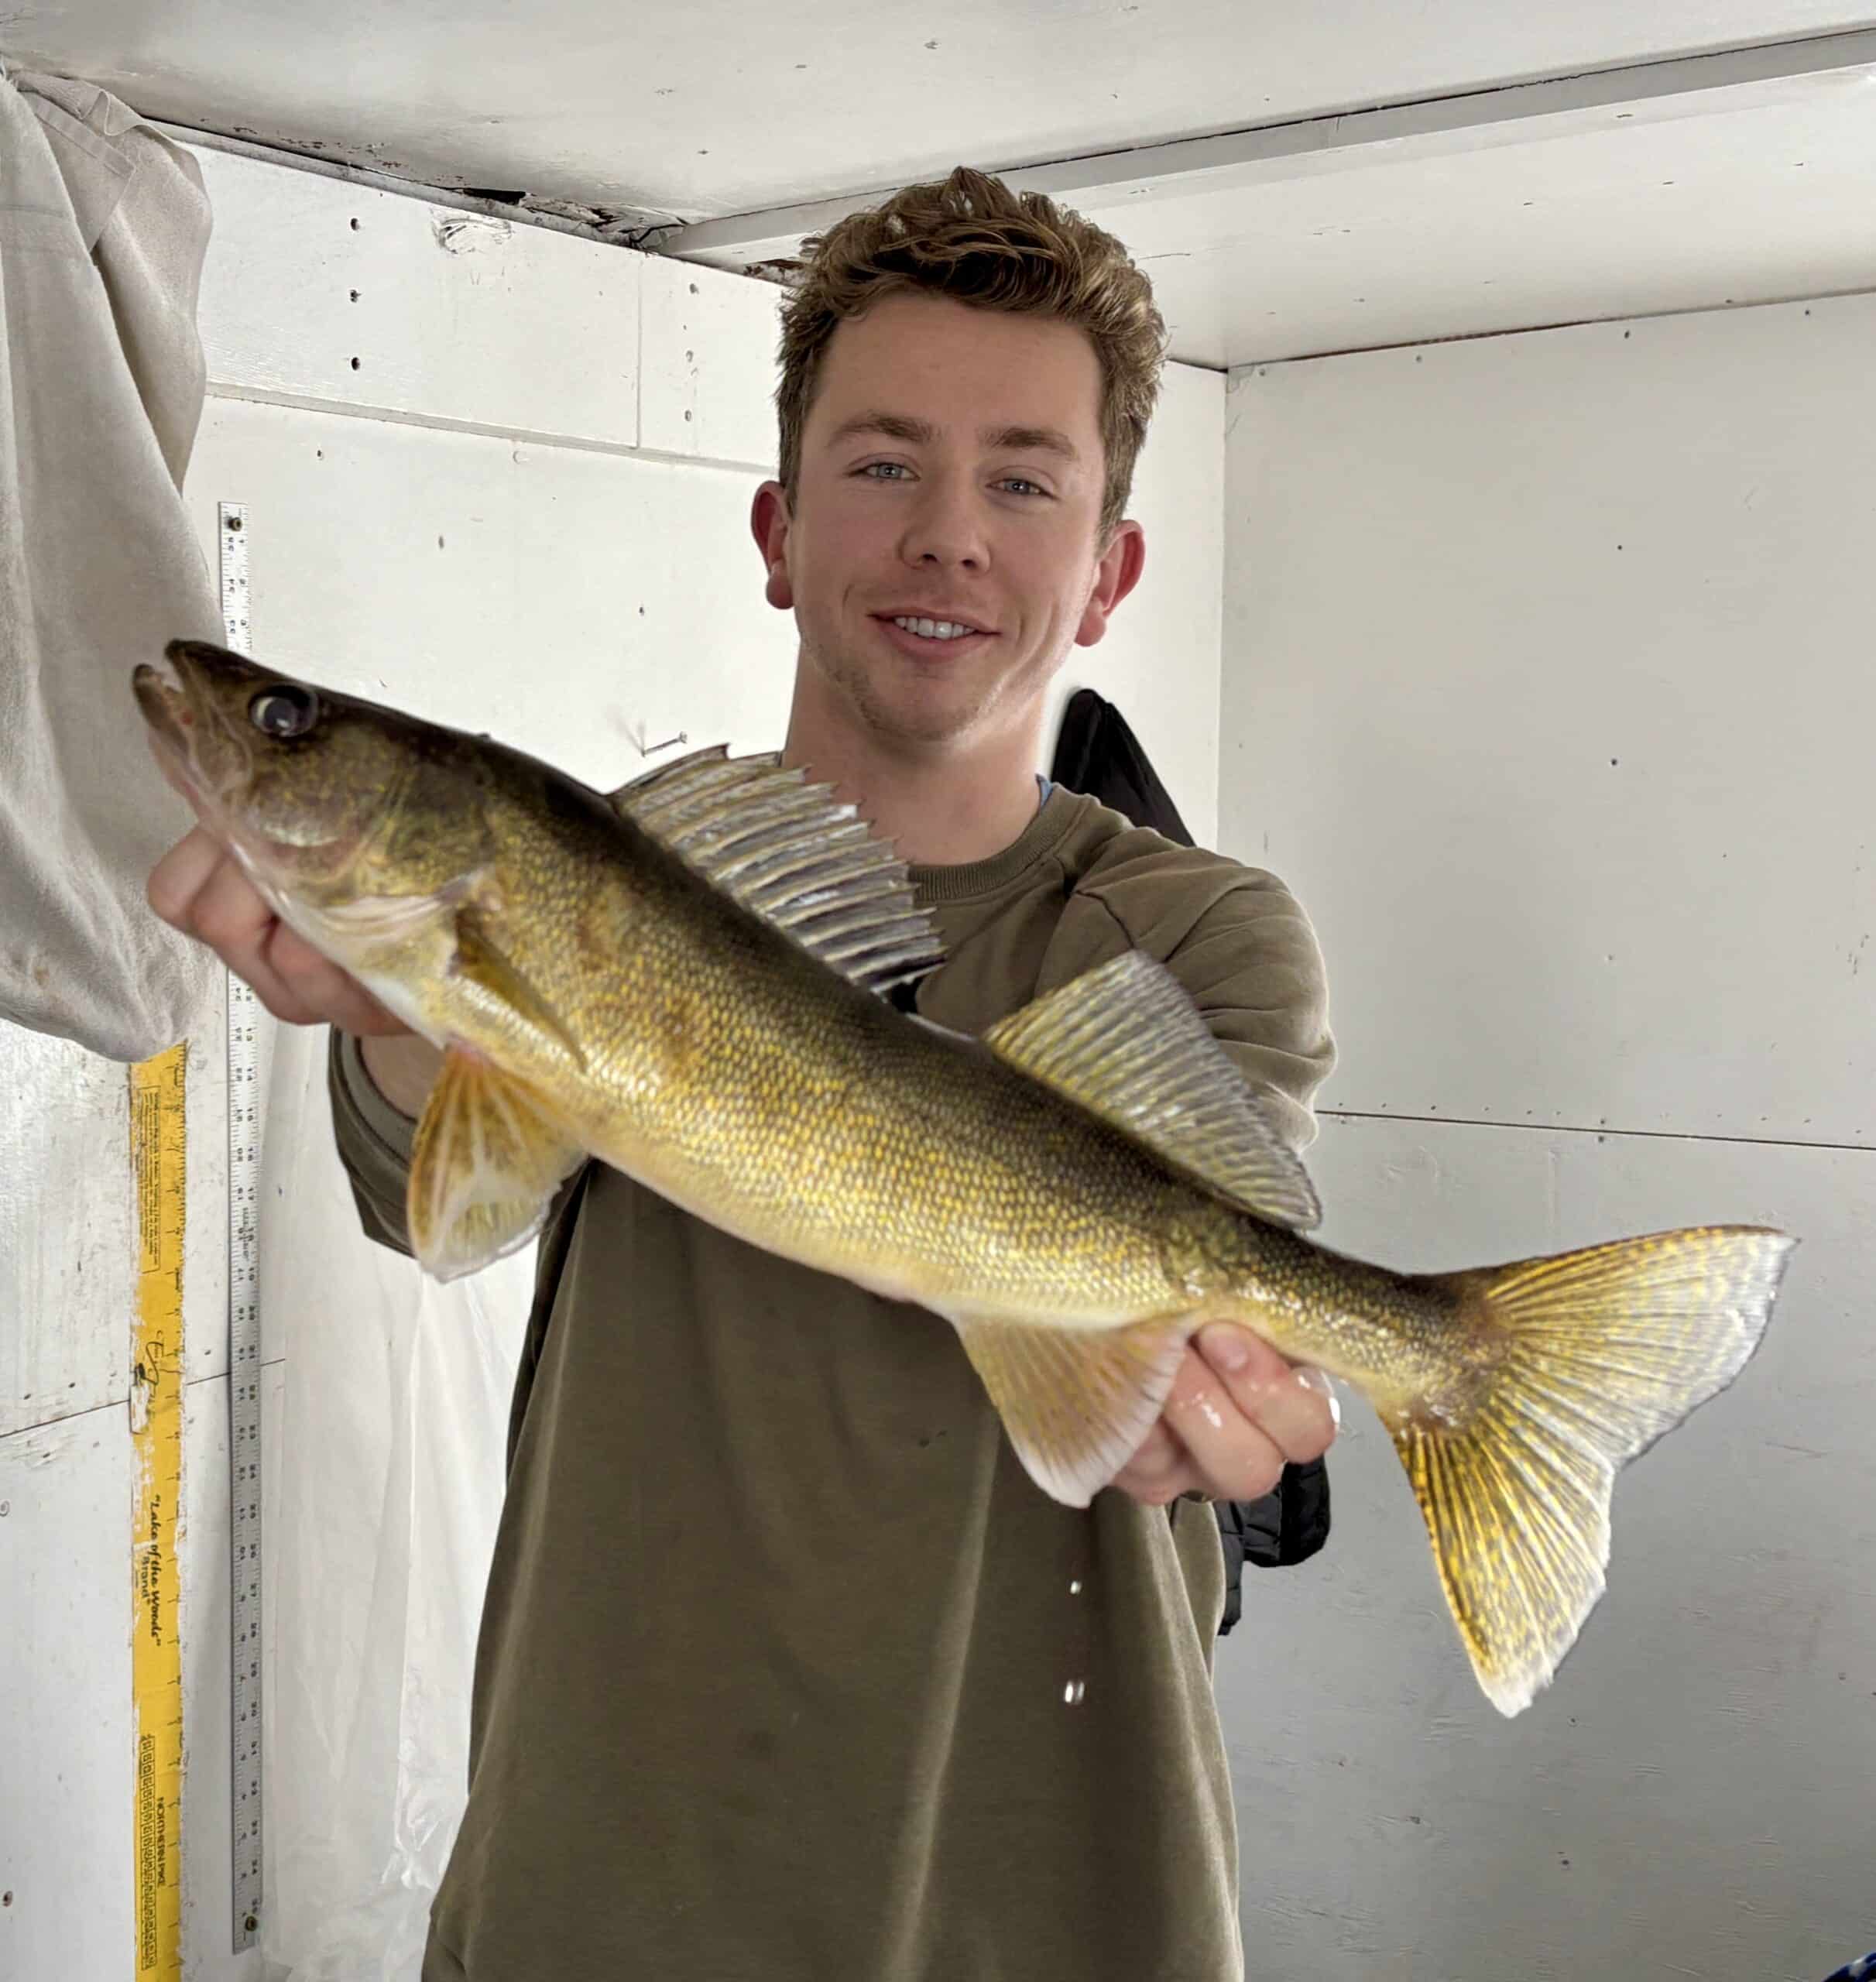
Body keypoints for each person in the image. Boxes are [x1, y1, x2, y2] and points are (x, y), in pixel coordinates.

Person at [149, 166, 1338, 1981]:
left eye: (1023, 478)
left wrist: (1230, 1398)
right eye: (882, 462)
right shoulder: (611, 882)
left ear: (1107, 574)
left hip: (1057, 1895)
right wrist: (388, 998)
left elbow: (1230, 1327)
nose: (948, 531)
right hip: (606, 1885)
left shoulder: (1195, 933)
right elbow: (429, 1198)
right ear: (779, 531)